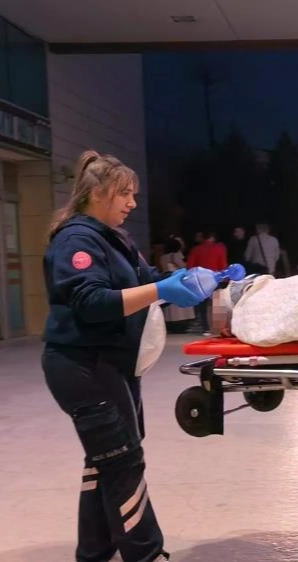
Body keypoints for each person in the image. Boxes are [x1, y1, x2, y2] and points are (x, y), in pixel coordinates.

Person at [40, 150, 204, 562]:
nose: (132, 203)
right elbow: (90, 302)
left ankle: (94, 552)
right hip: (82, 365)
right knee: (123, 460)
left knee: (107, 458)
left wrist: (190, 280)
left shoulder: (114, 238)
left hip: (111, 362)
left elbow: (145, 281)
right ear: (96, 193)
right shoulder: (77, 241)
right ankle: (145, 553)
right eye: (124, 194)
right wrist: (161, 290)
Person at [187, 231, 227, 335]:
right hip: (216, 278)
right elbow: (222, 265)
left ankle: (206, 328)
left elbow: (190, 267)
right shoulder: (220, 248)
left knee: (202, 305)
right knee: (218, 304)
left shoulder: (196, 249)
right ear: (213, 237)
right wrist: (225, 278)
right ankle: (220, 328)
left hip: (201, 280)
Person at [158, 236, 195, 333]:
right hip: (178, 279)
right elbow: (183, 266)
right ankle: (182, 324)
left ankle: (172, 324)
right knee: (180, 305)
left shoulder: (163, 257)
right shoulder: (176, 255)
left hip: (167, 279)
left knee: (171, 304)